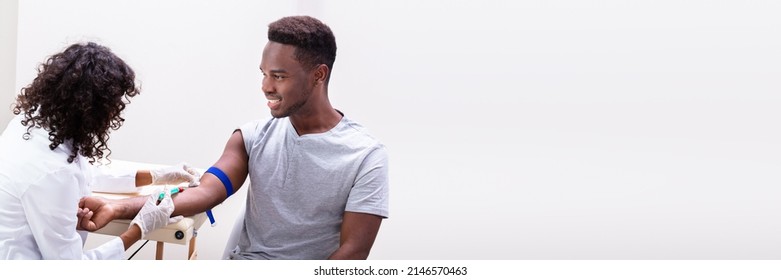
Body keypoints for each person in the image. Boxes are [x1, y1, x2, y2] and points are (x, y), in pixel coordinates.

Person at [79, 15, 390, 260]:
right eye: (264, 74)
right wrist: (116, 208)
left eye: (279, 76)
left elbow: (352, 253)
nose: (266, 87)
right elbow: (205, 193)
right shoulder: (251, 137)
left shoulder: (364, 156)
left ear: (319, 75)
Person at [0, 42, 199, 259]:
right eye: (114, 105)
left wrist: (154, 176)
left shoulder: (29, 125)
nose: (115, 113)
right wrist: (139, 229)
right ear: (90, 108)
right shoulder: (52, 171)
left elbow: (84, 174)